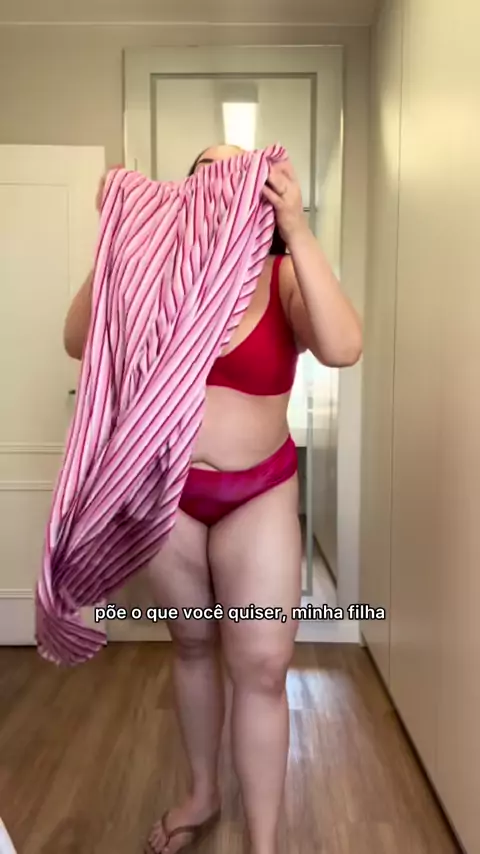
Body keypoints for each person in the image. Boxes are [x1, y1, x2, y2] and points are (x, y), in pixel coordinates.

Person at [63, 144, 362, 854]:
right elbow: (78, 340)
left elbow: (344, 347)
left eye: (243, 175)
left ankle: (263, 844)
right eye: (209, 172)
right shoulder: (151, 277)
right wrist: (117, 238)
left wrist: (298, 228)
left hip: (257, 495)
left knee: (261, 665)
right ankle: (202, 794)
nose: (225, 186)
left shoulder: (282, 277)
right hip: (166, 494)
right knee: (193, 644)